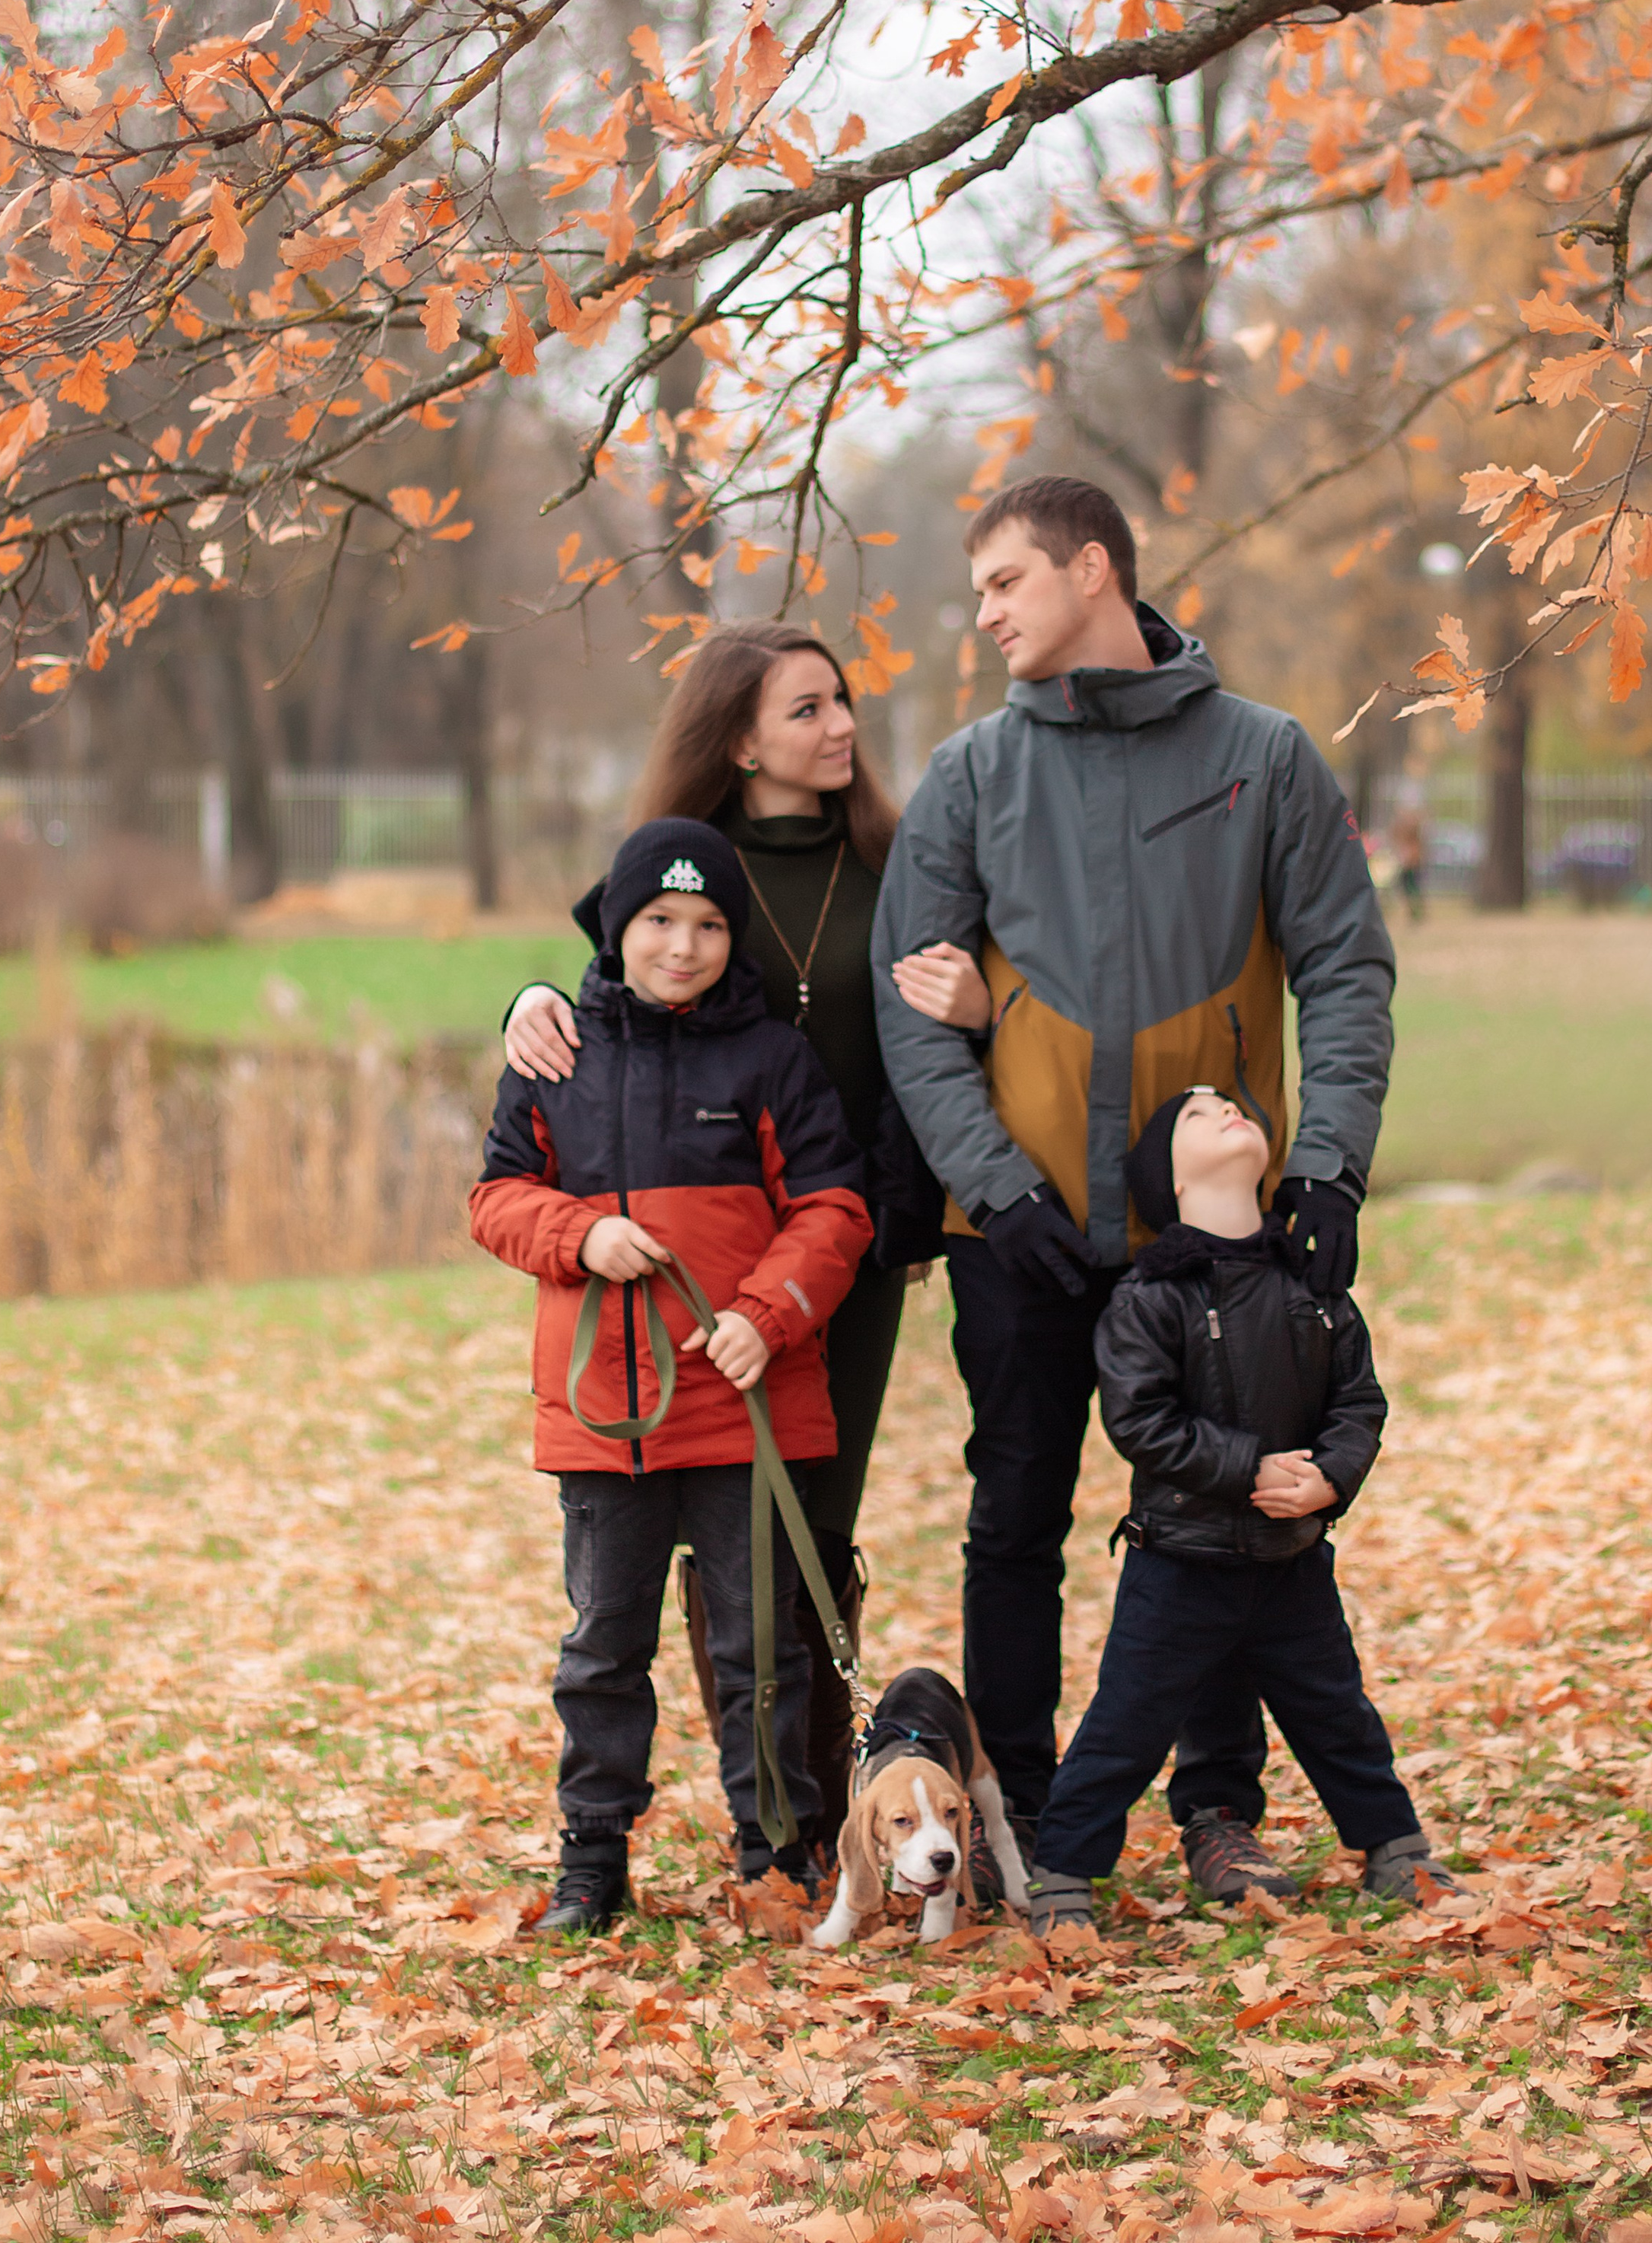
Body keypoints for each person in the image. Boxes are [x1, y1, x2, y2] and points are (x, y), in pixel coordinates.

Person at [871, 474, 1396, 1903]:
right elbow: (913, 1015)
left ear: (1092, 568)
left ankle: (1219, 1811)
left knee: (1223, 1526)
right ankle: (1023, 1819)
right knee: (1014, 1521)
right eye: (979, 591)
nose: (985, 614)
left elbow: (1347, 967)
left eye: (1005, 582)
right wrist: (998, 1190)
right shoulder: (971, 775)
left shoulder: (1265, 757)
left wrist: (1329, 1165)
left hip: (1213, 1234)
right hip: (1020, 1233)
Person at [505, 626, 990, 1843]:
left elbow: (970, 1002)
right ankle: (771, 1812)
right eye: (806, 709)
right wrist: (529, 1000)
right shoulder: (692, 872)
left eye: (842, 701)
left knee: (808, 1524)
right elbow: (611, 1007)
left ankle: (805, 1818)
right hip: (702, 1261)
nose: (842, 727)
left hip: (847, 1239)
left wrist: (982, 1011)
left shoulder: (897, 863)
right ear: (737, 738)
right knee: (716, 1536)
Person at [471, 816, 875, 1935]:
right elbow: (495, 1199)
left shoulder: (771, 1061)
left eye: (707, 925)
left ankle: (775, 1851)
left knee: (760, 1650)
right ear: (617, 926)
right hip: (607, 1416)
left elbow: (834, 1209)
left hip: (743, 1407)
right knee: (604, 1650)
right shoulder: (556, 1057)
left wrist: (764, 1314)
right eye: (659, 920)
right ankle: (593, 1858)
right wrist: (579, 1233)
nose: (682, 946)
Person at [1023, 1087, 1459, 1932]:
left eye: (1231, 1102)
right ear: (1169, 1180)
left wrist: (1331, 1477)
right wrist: (1247, 1466)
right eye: (1196, 1114)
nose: (1225, 1109)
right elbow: (1140, 1422)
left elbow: (1358, 1402)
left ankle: (1396, 1850)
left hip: (1292, 1559)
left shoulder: (1313, 1284)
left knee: (1336, 1712)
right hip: (1179, 1561)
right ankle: (1063, 1876)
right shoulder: (1151, 1296)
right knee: (1126, 1725)